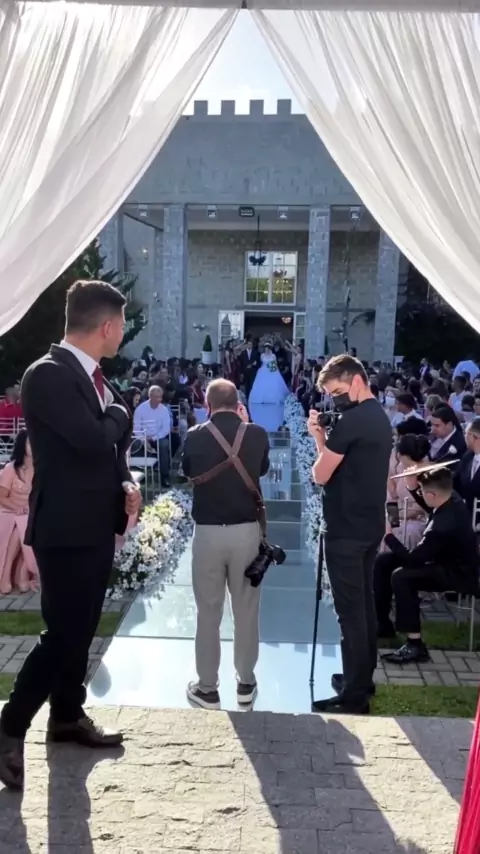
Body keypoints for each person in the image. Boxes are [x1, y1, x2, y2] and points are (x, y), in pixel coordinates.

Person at [0, 279, 142, 791]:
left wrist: (126, 484)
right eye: (121, 325)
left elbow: (112, 451)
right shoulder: (48, 374)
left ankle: (66, 716)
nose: (123, 333)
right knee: (63, 634)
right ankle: (10, 725)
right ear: (105, 325)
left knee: (81, 631)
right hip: (63, 526)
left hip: (95, 524)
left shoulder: (99, 379)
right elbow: (90, 440)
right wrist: (119, 414)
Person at [307, 354, 392, 715]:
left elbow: (320, 474)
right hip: (369, 525)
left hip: (346, 529)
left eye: (338, 392)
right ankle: (361, 678)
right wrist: (324, 438)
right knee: (364, 606)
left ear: (357, 380)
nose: (336, 400)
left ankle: (355, 695)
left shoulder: (352, 422)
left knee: (350, 612)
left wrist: (320, 438)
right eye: (331, 395)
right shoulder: (378, 416)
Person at [182, 379, 270, 710]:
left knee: (208, 611)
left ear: (208, 405)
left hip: (207, 533)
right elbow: (261, 469)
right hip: (246, 532)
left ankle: (207, 687)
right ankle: (245, 682)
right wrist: (246, 426)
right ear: (238, 404)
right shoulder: (256, 433)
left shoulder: (195, 435)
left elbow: (187, 471)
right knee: (246, 610)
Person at [375, 465, 479, 664]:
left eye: (423, 492)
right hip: (442, 559)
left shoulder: (441, 526)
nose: (421, 495)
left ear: (432, 494)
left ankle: (414, 644)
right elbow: (429, 501)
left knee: (402, 577)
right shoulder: (452, 498)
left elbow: (413, 560)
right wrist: (413, 486)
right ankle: (382, 623)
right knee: (384, 561)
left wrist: (388, 536)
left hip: (456, 573)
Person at [0, 430, 39, 594]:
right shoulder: (11, 468)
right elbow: (1, 497)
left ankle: (21, 574)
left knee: (25, 525)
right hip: (8, 510)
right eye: (30, 442)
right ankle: (5, 575)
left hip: (28, 514)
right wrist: (16, 508)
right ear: (23, 445)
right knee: (20, 526)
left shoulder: (42, 469)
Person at [133, 385, 171, 488]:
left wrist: (153, 438)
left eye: (160, 397)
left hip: (158, 437)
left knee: (164, 444)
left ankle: (164, 476)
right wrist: (144, 439)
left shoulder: (164, 410)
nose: (160, 400)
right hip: (143, 437)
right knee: (135, 445)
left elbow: (166, 429)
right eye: (157, 397)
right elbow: (136, 428)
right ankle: (140, 473)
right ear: (150, 396)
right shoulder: (140, 409)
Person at [454, 418, 480, 517]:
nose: (464, 437)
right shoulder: (467, 457)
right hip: (466, 517)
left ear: (475, 437)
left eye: (466, 433)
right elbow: (455, 482)